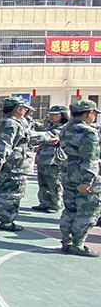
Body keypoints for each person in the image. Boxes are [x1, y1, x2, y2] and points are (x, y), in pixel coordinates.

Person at [58, 100, 101, 257]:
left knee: (70, 208)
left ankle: (66, 241)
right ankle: (78, 244)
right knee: (88, 210)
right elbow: (90, 158)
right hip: (83, 172)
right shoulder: (88, 132)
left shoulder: (66, 129)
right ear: (88, 113)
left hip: (69, 170)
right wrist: (87, 180)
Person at [0, 97, 31, 231]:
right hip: (14, 162)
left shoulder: (4, 121)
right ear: (18, 109)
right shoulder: (12, 124)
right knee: (12, 192)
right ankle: (6, 221)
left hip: (9, 161)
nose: (25, 111)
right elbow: (5, 144)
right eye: (24, 108)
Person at [31, 105, 69, 212]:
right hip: (43, 158)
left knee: (55, 182)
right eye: (50, 114)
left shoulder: (65, 127)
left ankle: (55, 204)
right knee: (43, 182)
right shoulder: (49, 126)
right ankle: (44, 202)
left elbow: (48, 136)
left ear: (62, 115)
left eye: (54, 114)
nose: (51, 116)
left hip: (55, 159)